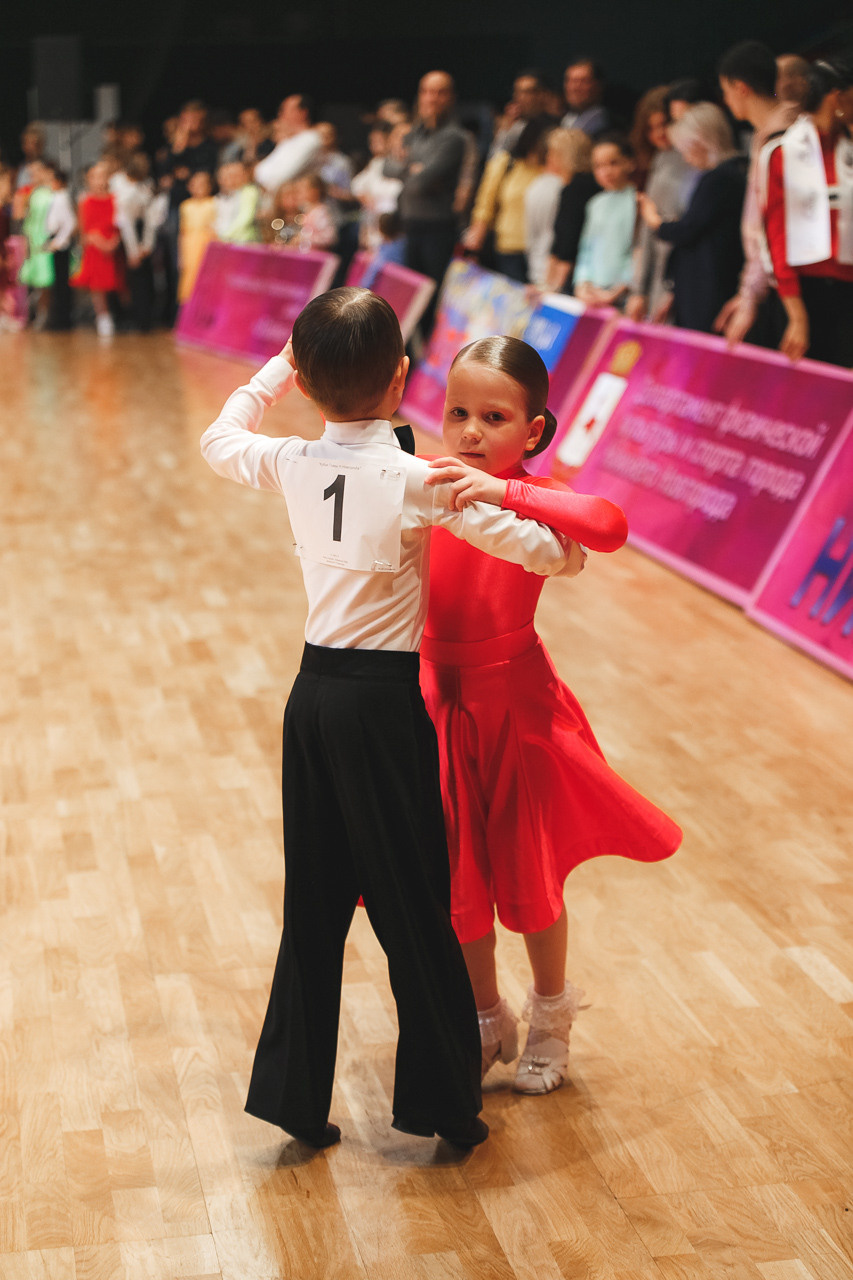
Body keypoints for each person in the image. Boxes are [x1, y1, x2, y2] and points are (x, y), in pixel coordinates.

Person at [199, 287, 581, 1149]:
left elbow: (219, 437)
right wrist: (530, 514)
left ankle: (295, 1099)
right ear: (403, 378)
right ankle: (443, 1105)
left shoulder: (290, 459)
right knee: (414, 904)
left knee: (314, 906)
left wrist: (273, 375)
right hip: (380, 708)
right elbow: (550, 552)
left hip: (310, 703)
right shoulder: (418, 479)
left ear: (304, 382)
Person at [421, 337, 682, 1092]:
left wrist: (498, 490)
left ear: (533, 430)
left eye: (493, 417)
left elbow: (606, 525)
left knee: (529, 871)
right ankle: (482, 1015)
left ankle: (550, 1011)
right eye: (458, 412)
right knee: (454, 876)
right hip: (435, 698)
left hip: (517, 704)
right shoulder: (427, 483)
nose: (470, 432)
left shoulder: (538, 500)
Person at [759, 58, 853, 367]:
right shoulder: (781, 152)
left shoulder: (847, 146)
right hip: (806, 294)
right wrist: (797, 316)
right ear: (837, 97)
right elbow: (775, 236)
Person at [714, 41, 800, 349]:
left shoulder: (782, 140)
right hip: (782, 285)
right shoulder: (775, 134)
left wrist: (750, 294)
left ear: (740, 87)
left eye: (725, 90)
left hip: (792, 289)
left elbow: (769, 227)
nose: (725, 100)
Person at [639, 104, 746, 335]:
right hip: (701, 286)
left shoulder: (720, 178)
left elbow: (689, 229)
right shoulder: (730, 174)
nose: (686, 159)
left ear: (701, 143)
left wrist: (656, 222)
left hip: (708, 290)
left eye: (685, 150)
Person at [383, 71, 468, 335]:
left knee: (432, 304)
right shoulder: (414, 133)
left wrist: (410, 167)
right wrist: (415, 168)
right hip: (409, 225)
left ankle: (429, 369)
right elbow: (387, 167)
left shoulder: (454, 137)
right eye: (427, 91)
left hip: (437, 229)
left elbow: (422, 179)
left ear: (451, 98)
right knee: (409, 302)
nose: (432, 98)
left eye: (440, 92)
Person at [626, 91, 695, 323]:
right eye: (650, 128)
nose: (658, 134)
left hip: (678, 277)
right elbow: (649, 228)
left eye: (664, 124)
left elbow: (686, 228)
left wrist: (672, 289)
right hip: (658, 277)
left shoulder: (691, 161)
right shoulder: (659, 160)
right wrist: (639, 290)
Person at [463, 117, 552, 282]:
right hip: (507, 249)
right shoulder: (505, 164)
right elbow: (484, 207)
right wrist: (473, 248)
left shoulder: (551, 169)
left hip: (542, 253)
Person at [573, 133, 637, 308]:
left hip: (623, 295)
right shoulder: (595, 204)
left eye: (613, 163)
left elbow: (638, 252)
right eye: (598, 166)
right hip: (593, 292)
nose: (606, 171)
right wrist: (582, 282)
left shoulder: (637, 201)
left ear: (630, 163)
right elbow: (586, 248)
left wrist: (619, 289)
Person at [71, 159, 124, 338]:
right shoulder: (85, 201)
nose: (98, 180)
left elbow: (120, 224)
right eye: (94, 176)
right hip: (94, 249)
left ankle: (122, 314)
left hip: (113, 247)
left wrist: (113, 242)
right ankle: (103, 316)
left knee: (117, 281)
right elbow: (83, 231)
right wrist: (96, 241)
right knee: (97, 285)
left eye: (102, 176)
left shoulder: (116, 199)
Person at [524, 127, 579, 287]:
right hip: (553, 275)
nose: (549, 157)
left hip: (539, 269)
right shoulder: (561, 189)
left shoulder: (538, 185)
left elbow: (532, 236)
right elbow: (559, 237)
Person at [546, 130, 598, 292]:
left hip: (577, 279)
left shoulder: (576, 189)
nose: (548, 157)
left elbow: (569, 240)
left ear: (564, 156)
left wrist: (554, 286)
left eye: (552, 153)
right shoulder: (582, 185)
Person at [254, 95, 322, 194]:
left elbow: (282, 177)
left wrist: (261, 180)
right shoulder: (287, 141)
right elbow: (259, 171)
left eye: (285, 110)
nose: (280, 114)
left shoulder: (311, 139)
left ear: (303, 113)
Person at [351, 121, 403, 251]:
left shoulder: (406, 165)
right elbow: (356, 185)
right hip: (374, 225)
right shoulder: (377, 163)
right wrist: (368, 200)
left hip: (394, 229)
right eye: (372, 141)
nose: (374, 145)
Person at [17, 159, 55, 327]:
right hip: (33, 236)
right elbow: (29, 218)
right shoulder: (32, 193)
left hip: (45, 238)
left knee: (45, 277)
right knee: (35, 278)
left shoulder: (51, 192)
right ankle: (35, 313)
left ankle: (44, 314)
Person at [44, 163, 77, 331]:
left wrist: (58, 241)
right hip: (56, 240)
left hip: (60, 244)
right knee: (58, 282)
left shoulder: (62, 198)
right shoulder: (57, 196)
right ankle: (59, 318)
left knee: (62, 283)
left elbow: (71, 222)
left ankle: (62, 319)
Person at [177, 169, 217, 304]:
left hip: (206, 245)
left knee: (206, 279)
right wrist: (181, 256)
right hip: (189, 247)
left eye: (202, 184)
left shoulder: (214, 203)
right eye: (195, 184)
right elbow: (182, 232)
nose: (199, 188)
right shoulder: (185, 206)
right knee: (189, 280)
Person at [561, 59, 610, 138]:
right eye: (571, 81)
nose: (574, 88)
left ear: (598, 86)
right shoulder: (564, 119)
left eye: (583, 81)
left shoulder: (608, 125)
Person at [214, 161, 260, 244]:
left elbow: (245, 217)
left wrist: (225, 235)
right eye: (230, 176)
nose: (233, 179)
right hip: (232, 239)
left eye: (237, 175)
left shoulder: (249, 191)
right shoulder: (236, 193)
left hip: (246, 240)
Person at [292, 173, 337, 251]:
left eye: (303, 189)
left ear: (315, 191)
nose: (299, 193)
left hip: (318, 256)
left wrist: (304, 238)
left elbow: (329, 238)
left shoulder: (321, 212)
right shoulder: (306, 210)